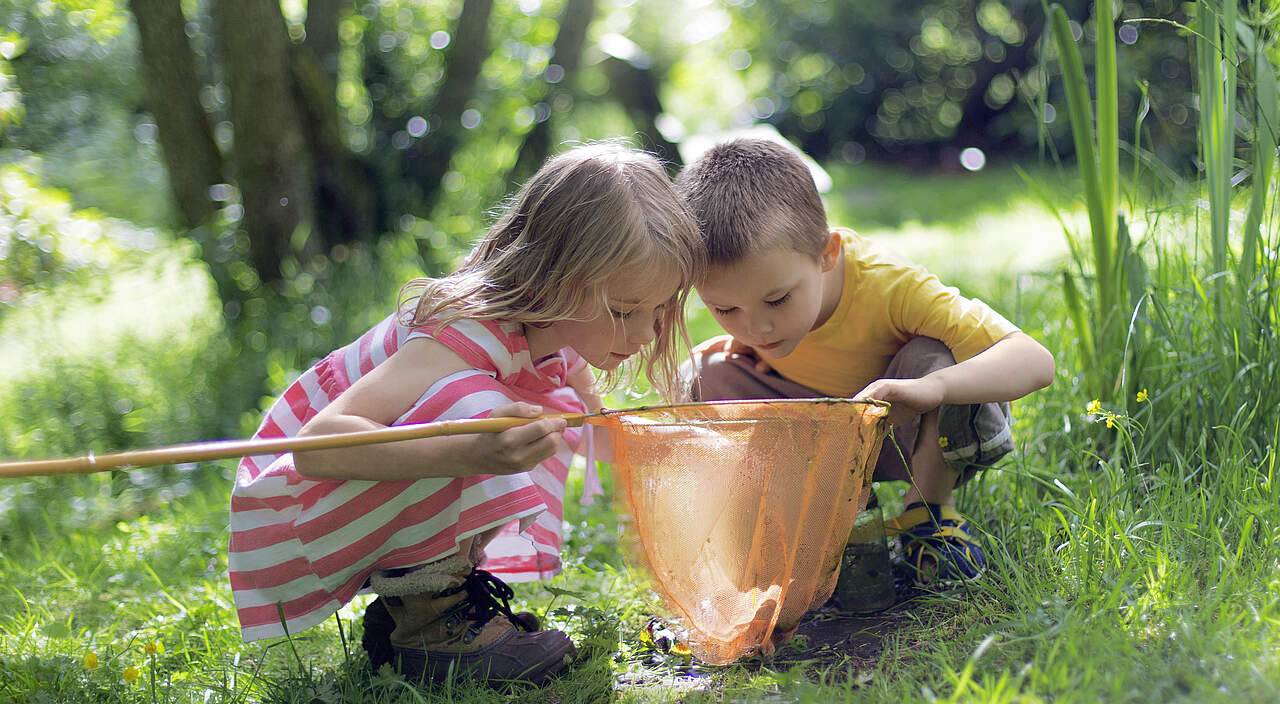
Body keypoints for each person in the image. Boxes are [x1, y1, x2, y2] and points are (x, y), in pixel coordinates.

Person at [228, 143, 703, 685]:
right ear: (557, 277)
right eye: (623, 311)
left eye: (659, 311)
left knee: (547, 414)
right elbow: (318, 447)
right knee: (483, 412)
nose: (644, 335)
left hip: (347, 503)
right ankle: (433, 626)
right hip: (290, 509)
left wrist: (679, 453)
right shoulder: (464, 334)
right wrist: (473, 451)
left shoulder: (558, 333)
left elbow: (600, 431)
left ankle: (414, 608)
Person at [676, 138, 1054, 585]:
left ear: (828, 252)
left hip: (907, 434)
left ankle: (927, 516)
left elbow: (1036, 361)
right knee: (701, 376)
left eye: (777, 300)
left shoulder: (889, 286)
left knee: (937, 356)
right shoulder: (760, 309)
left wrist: (933, 388)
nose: (756, 329)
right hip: (825, 440)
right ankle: (801, 520)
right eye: (726, 310)